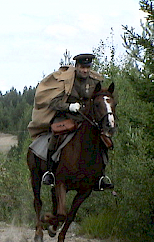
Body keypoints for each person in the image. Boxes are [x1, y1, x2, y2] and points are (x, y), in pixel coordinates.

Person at [28, 53, 113, 190]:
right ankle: (50, 172)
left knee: (102, 139)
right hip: (66, 117)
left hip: (86, 119)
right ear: (76, 67)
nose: (85, 70)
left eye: (87, 67)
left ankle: (101, 176)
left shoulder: (95, 81)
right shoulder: (65, 81)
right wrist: (69, 107)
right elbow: (54, 102)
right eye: (82, 67)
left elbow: (98, 100)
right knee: (56, 136)